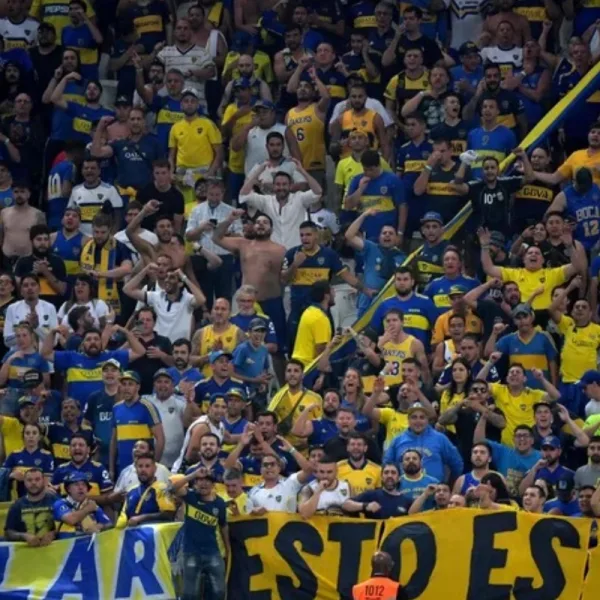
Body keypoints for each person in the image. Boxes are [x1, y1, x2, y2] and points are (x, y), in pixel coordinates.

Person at [169, 465, 230, 600]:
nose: (203, 483)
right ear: (195, 483)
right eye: (200, 480)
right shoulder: (191, 497)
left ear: (213, 484)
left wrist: (227, 549)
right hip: (191, 552)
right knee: (190, 595)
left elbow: (223, 526)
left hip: (213, 552)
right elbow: (173, 489)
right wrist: (193, 474)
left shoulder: (220, 504)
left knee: (219, 593)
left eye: (207, 480)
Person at [238, 160, 323, 249]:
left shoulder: (299, 198)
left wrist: (302, 171)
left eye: (284, 184)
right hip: (273, 252)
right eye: (278, 184)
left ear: (290, 186)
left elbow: (318, 192)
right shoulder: (266, 201)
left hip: (295, 252)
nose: (281, 187)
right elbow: (243, 195)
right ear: (273, 186)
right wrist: (259, 171)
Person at [478, 355, 560, 446]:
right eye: (511, 372)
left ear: (525, 379)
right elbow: (478, 383)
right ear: (507, 378)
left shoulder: (532, 394)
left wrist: (541, 378)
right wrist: (490, 363)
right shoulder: (499, 390)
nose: (514, 374)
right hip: (507, 446)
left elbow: (555, 396)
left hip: (529, 445)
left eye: (518, 372)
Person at [344, 210, 406, 317]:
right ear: (379, 237)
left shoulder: (403, 257)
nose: (387, 235)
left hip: (390, 302)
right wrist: (364, 215)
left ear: (396, 238)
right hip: (368, 300)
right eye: (384, 233)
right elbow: (349, 235)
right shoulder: (371, 248)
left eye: (391, 233)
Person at [123, 264, 205, 344]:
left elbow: (202, 300)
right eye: (166, 277)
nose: (167, 280)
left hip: (177, 351)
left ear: (180, 283)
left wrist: (184, 277)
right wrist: (145, 270)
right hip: (157, 348)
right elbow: (127, 289)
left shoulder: (187, 299)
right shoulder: (156, 296)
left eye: (171, 278)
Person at [384, 403, 463, 482]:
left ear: (427, 420)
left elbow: (457, 463)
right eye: (414, 417)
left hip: (434, 491)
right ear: (408, 420)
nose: (418, 421)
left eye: (422, 417)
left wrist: (450, 485)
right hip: (404, 491)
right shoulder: (398, 440)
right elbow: (386, 465)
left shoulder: (440, 439)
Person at [110, 370, 165, 477]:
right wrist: (111, 469)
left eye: (130, 384)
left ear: (138, 387)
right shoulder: (116, 408)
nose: (126, 388)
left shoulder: (147, 407)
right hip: (122, 468)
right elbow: (113, 441)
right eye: (124, 384)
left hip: (144, 470)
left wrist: (154, 465)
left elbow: (160, 439)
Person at [344, 149, 405, 242]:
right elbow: (348, 206)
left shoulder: (392, 180)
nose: (368, 173)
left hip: (386, 233)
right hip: (364, 234)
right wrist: (360, 189)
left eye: (371, 170)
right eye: (365, 169)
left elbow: (402, 206)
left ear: (379, 165)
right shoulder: (357, 180)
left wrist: (400, 233)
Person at [116, 452, 176, 527]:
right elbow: (122, 520)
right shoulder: (131, 491)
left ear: (154, 468)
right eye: (140, 466)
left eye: (147, 466)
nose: (143, 470)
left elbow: (169, 515)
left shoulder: (162, 488)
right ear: (136, 469)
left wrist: (142, 518)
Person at [67, 159, 123, 237]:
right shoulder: (75, 190)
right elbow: (70, 214)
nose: (89, 170)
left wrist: (111, 235)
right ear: (82, 171)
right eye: (86, 168)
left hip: (103, 238)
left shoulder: (110, 190)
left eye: (93, 168)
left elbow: (118, 216)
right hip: (81, 239)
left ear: (99, 171)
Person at [4, 467, 56, 546]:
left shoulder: (55, 501)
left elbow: (67, 527)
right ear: (24, 482)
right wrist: (23, 536)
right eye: (29, 480)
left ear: (44, 481)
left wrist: (53, 534)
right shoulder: (17, 505)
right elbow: (8, 532)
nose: (33, 483)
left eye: (37, 479)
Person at [3, 274, 58, 348]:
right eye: (25, 285)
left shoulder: (50, 307)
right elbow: (7, 341)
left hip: (43, 356)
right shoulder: (12, 308)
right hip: (18, 356)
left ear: (39, 289)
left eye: (33, 284)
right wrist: (24, 329)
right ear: (21, 291)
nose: (30, 288)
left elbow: (54, 342)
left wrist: (37, 328)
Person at [52, 471, 112, 538]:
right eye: (76, 484)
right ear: (68, 489)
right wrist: (88, 509)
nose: (81, 488)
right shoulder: (60, 504)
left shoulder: (91, 505)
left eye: (83, 484)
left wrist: (99, 526)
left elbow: (109, 524)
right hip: (63, 546)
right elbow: (71, 519)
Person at [0, 180, 45, 267]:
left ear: (29, 194)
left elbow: (42, 241)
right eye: (16, 192)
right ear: (12, 194)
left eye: (22, 191)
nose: (19, 195)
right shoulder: (3, 213)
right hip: (6, 259)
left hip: (28, 260)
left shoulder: (38, 214)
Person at [3, 422, 54, 499]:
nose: (31, 436)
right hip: (17, 499)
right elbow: (2, 475)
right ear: (23, 436)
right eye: (27, 433)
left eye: (34, 433)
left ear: (39, 436)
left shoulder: (46, 456)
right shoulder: (14, 455)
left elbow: (47, 482)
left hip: (39, 499)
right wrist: (11, 475)